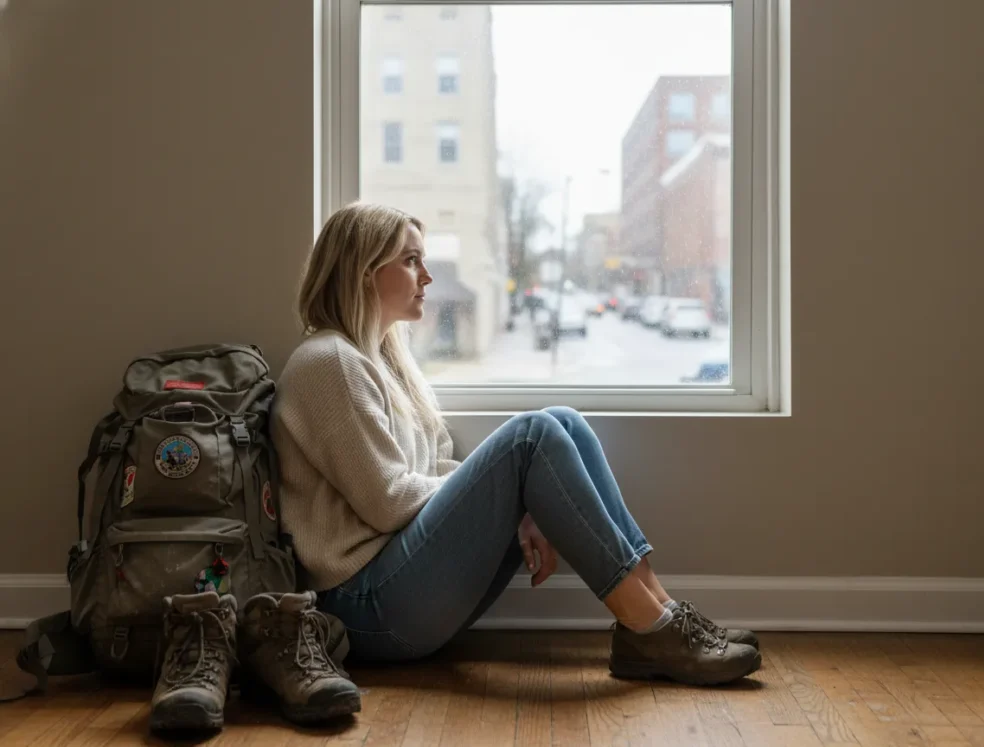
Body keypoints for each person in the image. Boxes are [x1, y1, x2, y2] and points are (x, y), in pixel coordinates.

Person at [270, 203, 761, 686]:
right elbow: (387, 501)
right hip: (365, 609)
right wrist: (511, 492)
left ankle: (660, 613)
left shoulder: (386, 361)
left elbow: (440, 463)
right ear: (362, 271)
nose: (428, 277)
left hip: (402, 584)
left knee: (561, 421)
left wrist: (523, 499)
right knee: (532, 435)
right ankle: (650, 630)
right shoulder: (328, 362)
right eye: (411, 260)